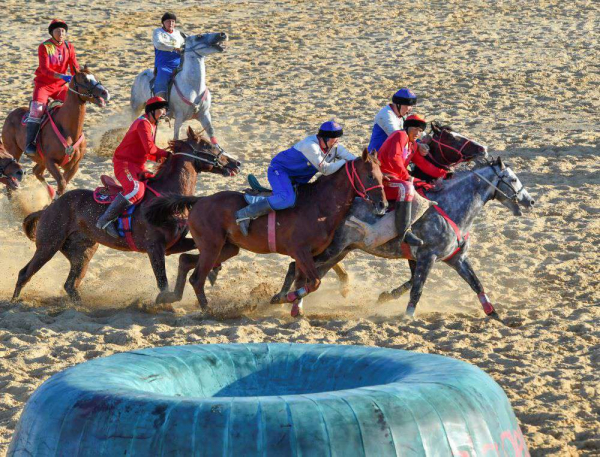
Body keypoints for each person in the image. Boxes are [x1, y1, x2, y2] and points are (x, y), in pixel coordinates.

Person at [235, 120, 355, 236]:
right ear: (326, 138)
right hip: (279, 171)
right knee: (287, 199)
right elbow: (325, 169)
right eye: (335, 138)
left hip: (297, 177)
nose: (337, 141)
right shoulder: (310, 146)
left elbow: (354, 160)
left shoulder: (335, 147)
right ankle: (245, 213)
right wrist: (344, 161)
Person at [96, 97, 170, 237]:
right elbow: (150, 149)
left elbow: (148, 153)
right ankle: (104, 220)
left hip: (137, 165)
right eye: (162, 109)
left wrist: (163, 158)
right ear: (152, 110)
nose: (165, 112)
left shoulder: (152, 124)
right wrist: (168, 154)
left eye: (165, 109)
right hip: (124, 164)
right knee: (136, 190)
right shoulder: (143, 123)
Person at [25, 19, 80, 157]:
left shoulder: (69, 47)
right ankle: (30, 143)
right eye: (57, 30)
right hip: (44, 85)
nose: (61, 33)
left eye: (63, 30)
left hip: (60, 86)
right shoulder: (44, 46)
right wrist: (62, 76)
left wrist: (77, 78)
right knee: (37, 110)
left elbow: (74, 67)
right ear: (52, 32)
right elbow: (44, 69)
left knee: (73, 106)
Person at [378, 114, 429, 246]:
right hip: (385, 179)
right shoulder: (400, 135)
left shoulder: (412, 145)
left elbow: (423, 164)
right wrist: (408, 177)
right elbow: (393, 159)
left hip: (397, 178)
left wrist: (443, 174)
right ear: (406, 127)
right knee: (406, 187)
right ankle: (404, 232)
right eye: (415, 129)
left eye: (420, 130)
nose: (417, 133)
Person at [153, 12, 185, 101]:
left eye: (173, 21)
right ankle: (161, 104)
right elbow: (158, 44)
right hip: (164, 64)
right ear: (163, 22)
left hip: (179, 64)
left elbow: (186, 44)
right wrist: (174, 48)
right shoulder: (158, 32)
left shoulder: (178, 33)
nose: (171, 23)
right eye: (168, 21)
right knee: (162, 80)